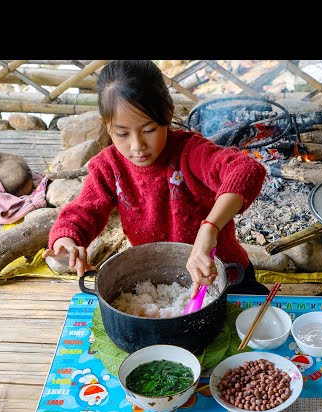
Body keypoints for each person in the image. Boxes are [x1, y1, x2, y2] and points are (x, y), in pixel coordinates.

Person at [42, 60, 270, 298]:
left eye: (149, 130)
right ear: (106, 126)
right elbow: (83, 211)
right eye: (122, 133)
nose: (137, 146)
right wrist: (67, 241)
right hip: (160, 287)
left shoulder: (189, 152)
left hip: (226, 275)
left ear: (167, 114)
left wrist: (210, 228)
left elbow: (246, 170)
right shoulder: (108, 167)